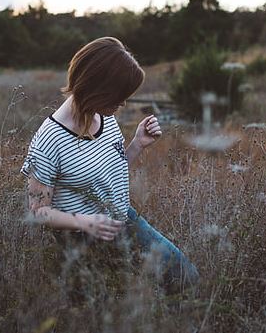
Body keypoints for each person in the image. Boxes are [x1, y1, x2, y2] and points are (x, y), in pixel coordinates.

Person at [21, 37, 198, 294]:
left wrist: (137, 144)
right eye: (118, 96)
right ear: (96, 86)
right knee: (112, 309)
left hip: (124, 220)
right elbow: (38, 212)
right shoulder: (49, 140)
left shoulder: (103, 117)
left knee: (184, 277)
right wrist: (85, 222)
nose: (123, 103)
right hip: (82, 242)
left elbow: (108, 172)